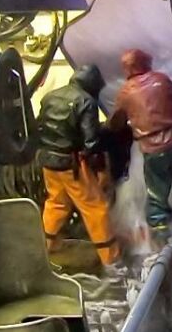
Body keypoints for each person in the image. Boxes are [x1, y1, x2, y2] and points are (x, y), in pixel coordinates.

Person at [109, 48, 172, 245]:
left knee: (157, 201)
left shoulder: (125, 92)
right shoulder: (161, 79)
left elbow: (115, 123)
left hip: (153, 151)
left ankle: (163, 249)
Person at [37, 64, 122, 270]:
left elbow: (39, 126)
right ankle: (111, 259)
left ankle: (45, 246)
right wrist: (100, 166)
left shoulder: (50, 96)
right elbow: (91, 142)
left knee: (56, 203)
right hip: (72, 164)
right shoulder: (85, 101)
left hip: (48, 161)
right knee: (96, 208)